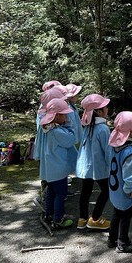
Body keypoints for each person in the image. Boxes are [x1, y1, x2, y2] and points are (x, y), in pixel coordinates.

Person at [108, 111, 132, 253]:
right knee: (125, 215)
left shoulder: (114, 146)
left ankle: (112, 238)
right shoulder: (129, 151)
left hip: (115, 188)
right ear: (130, 131)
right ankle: (123, 242)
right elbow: (129, 174)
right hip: (124, 190)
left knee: (117, 212)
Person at [39, 98, 77, 229]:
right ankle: (58, 219)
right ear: (56, 116)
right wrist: (69, 126)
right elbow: (71, 140)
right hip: (58, 169)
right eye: (64, 114)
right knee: (61, 194)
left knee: (51, 193)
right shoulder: (57, 131)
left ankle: (49, 214)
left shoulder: (49, 128)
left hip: (51, 168)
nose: (66, 116)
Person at [76, 93, 112, 231]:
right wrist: (112, 167)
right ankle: (95, 218)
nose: (107, 109)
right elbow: (108, 151)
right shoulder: (103, 128)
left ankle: (82, 219)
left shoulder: (88, 126)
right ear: (98, 111)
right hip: (99, 167)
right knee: (106, 190)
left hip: (86, 166)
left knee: (85, 191)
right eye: (105, 106)